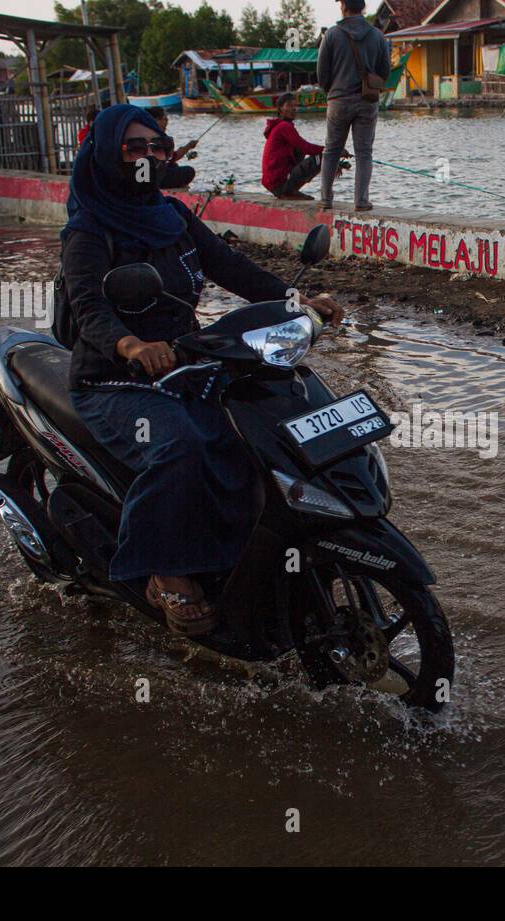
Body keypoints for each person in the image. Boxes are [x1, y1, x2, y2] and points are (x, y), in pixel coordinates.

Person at [62, 104, 343, 634]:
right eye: (134, 148)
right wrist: (130, 344)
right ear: (105, 154)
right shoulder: (90, 228)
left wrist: (297, 300)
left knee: (257, 434)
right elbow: (87, 307)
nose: (149, 157)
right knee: (180, 447)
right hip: (113, 378)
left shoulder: (173, 214)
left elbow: (229, 266)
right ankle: (163, 572)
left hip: (186, 364)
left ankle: (239, 556)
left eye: (157, 147)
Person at [316, 0, 391, 211]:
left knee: (331, 150)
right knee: (364, 152)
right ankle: (361, 201)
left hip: (338, 100)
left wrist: (333, 90)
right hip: (367, 101)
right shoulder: (378, 36)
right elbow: (385, 71)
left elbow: (322, 74)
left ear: (343, 7)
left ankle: (326, 198)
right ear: (364, 8)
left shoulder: (331, 35)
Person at [262, 93, 334, 200]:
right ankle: (289, 191)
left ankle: (290, 190)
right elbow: (306, 147)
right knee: (321, 157)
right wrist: (333, 151)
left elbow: (302, 148)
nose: (294, 109)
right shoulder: (284, 127)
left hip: (274, 183)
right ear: (281, 108)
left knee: (303, 152)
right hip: (278, 183)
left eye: (295, 106)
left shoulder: (281, 125)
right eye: (289, 105)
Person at [147, 106, 197, 189]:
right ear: (156, 121)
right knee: (189, 171)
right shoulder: (157, 138)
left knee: (174, 166)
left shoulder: (145, 135)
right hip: (157, 179)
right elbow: (173, 158)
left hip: (149, 177)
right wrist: (188, 147)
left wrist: (187, 147)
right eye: (165, 119)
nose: (167, 122)